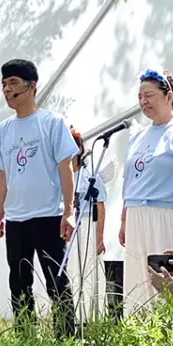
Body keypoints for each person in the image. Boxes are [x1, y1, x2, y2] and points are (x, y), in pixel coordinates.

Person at [0, 59, 76, 335]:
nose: (7, 90)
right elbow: (3, 176)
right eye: (4, 84)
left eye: (13, 83)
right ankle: (26, 337)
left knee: (55, 279)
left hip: (48, 215)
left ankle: (66, 337)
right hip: (16, 219)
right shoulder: (3, 130)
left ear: (32, 85)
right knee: (19, 282)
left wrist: (69, 211)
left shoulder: (52, 123)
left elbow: (66, 169)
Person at [118, 69, 173, 315]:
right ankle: (141, 327)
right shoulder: (138, 136)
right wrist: (124, 219)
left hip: (168, 216)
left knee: (170, 276)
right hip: (137, 215)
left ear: (169, 97)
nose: (143, 102)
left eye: (149, 95)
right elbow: (130, 183)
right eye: (140, 97)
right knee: (139, 278)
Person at [67, 127, 106, 322]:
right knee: (69, 269)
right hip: (66, 226)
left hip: (87, 224)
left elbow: (101, 206)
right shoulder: (58, 175)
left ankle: (90, 316)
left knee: (88, 269)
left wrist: (99, 237)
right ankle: (70, 315)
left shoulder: (90, 175)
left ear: (80, 148)